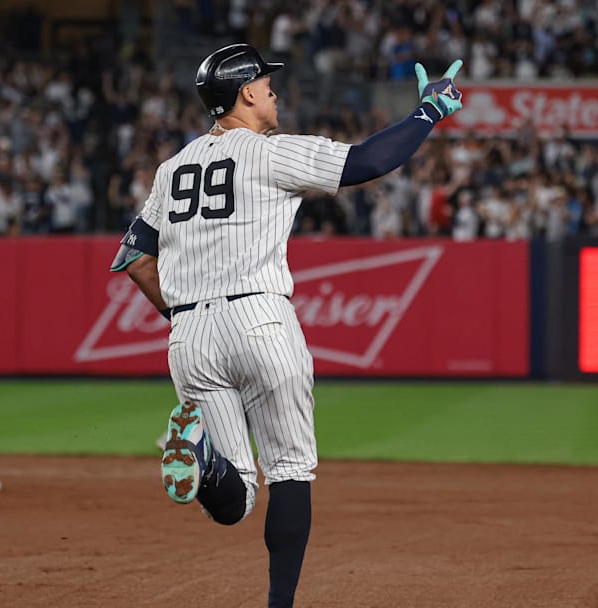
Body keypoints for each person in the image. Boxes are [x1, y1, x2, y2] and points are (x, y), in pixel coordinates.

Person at [109, 44, 464, 607]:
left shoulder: (170, 169)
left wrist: (180, 316)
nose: (275, 90)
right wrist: (428, 113)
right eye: (267, 82)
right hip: (260, 319)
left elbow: (133, 257)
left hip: (191, 336)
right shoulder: (270, 154)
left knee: (237, 499)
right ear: (246, 93)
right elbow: (367, 162)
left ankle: (198, 458)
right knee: (290, 472)